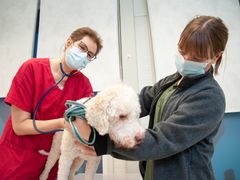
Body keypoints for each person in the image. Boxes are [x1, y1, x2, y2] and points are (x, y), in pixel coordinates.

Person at [76, 15, 229, 180]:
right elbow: (140, 101)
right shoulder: (174, 80)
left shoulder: (210, 97)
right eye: (183, 51)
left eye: (196, 58)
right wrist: (96, 106)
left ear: (216, 57)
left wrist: (103, 143)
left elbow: (162, 140)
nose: (185, 60)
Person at [0, 27, 102, 179]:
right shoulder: (31, 69)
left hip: (53, 166)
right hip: (18, 160)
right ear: (69, 43)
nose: (84, 56)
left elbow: (84, 128)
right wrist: (61, 123)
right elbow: (19, 126)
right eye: (82, 48)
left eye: (89, 55)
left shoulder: (84, 85)